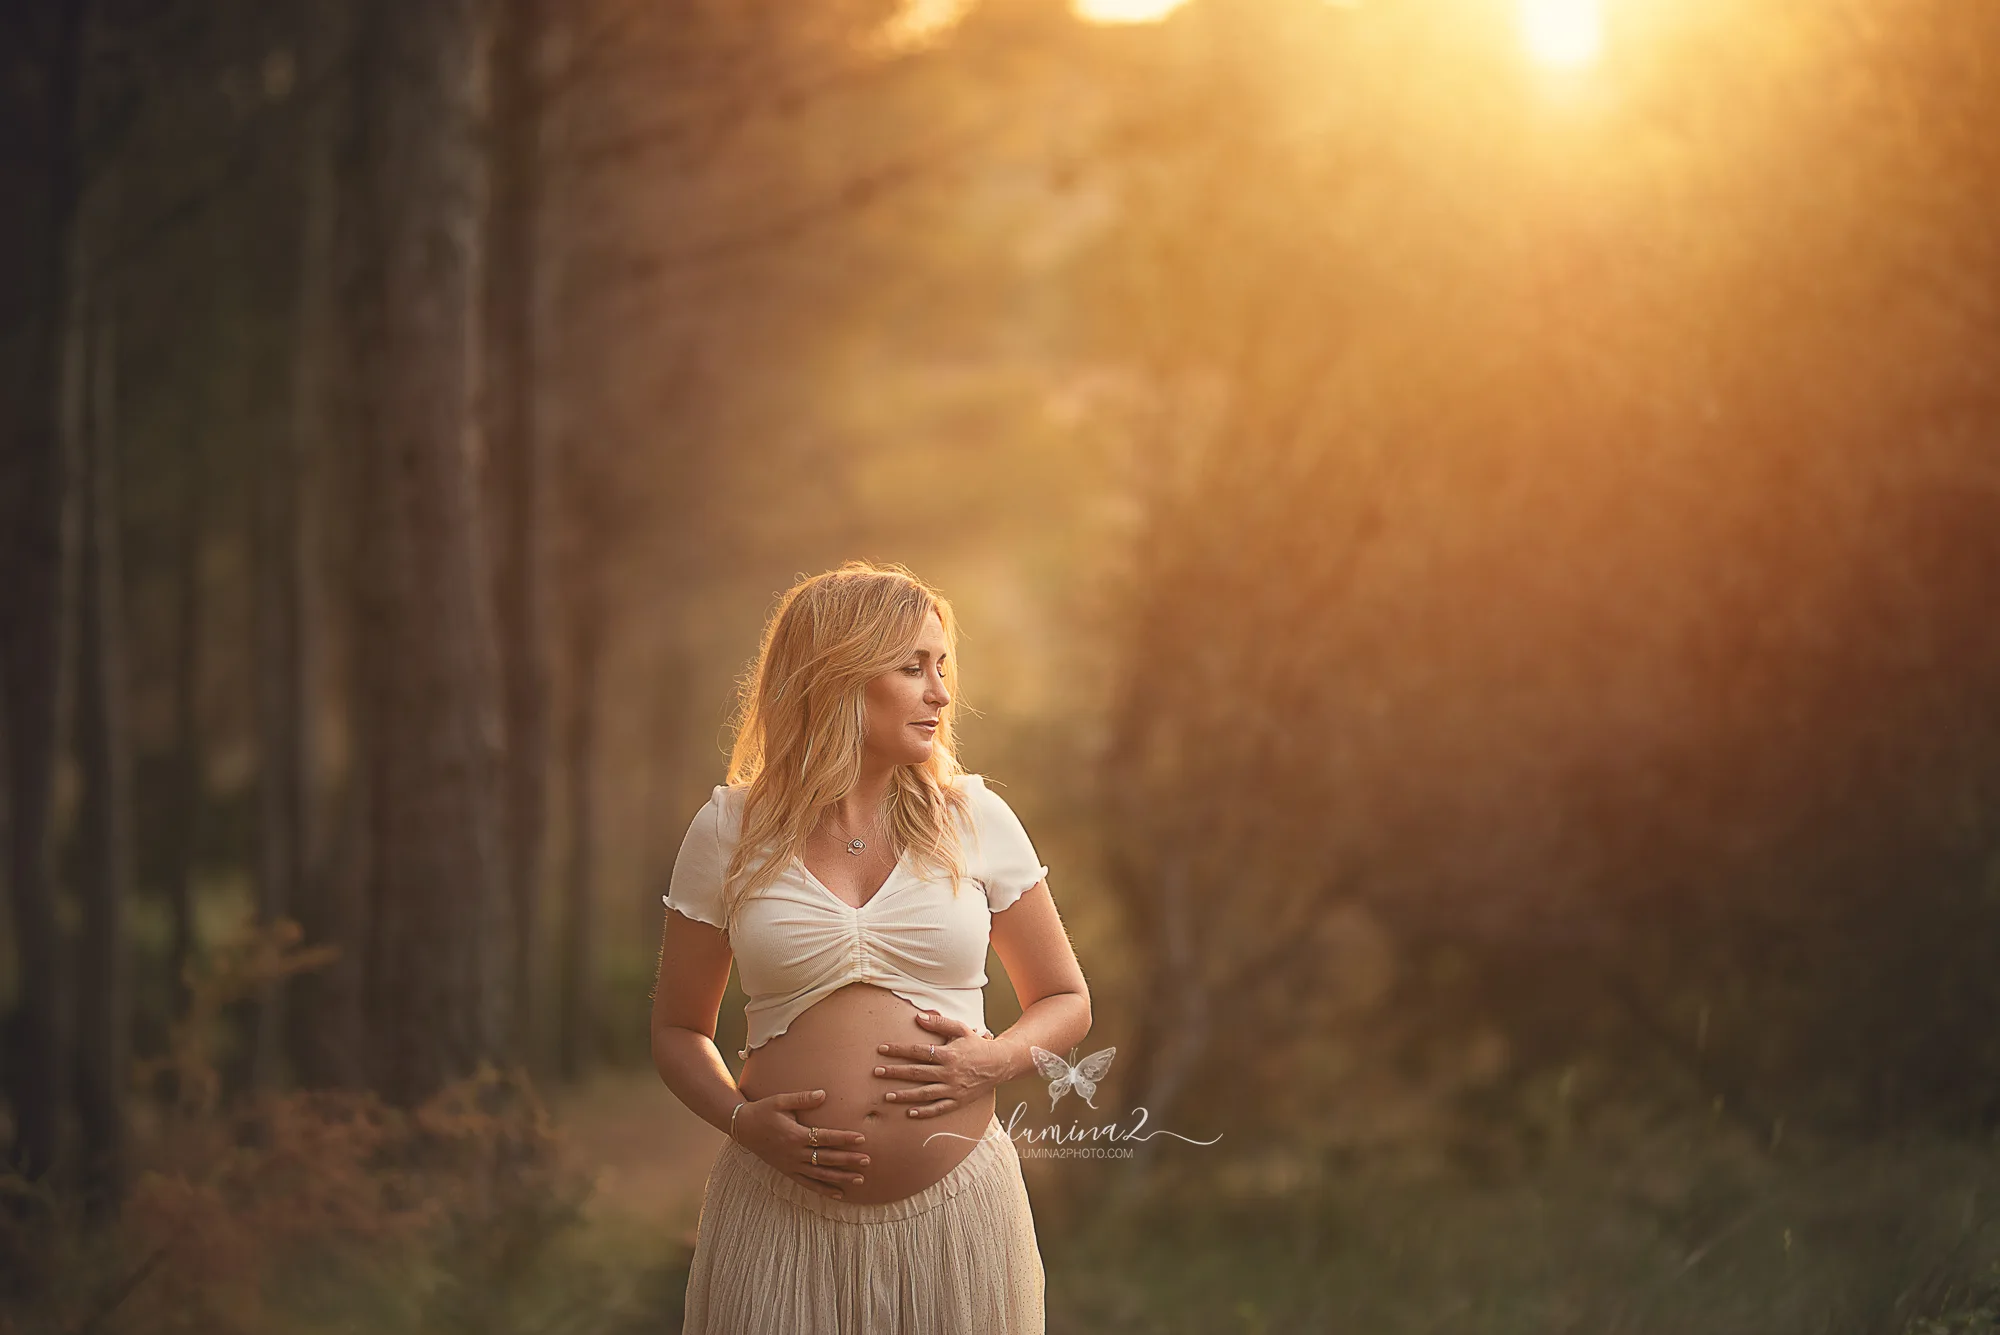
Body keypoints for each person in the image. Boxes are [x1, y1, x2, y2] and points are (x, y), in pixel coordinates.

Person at [651, 559, 1094, 1334]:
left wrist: (997, 1058)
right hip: (779, 1217)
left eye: (942, 665)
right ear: (839, 677)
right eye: (912, 667)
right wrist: (739, 1120)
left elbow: (1066, 999)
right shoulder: (728, 831)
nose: (942, 693)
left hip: (959, 1221)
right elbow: (678, 1028)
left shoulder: (975, 818)